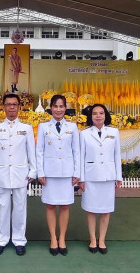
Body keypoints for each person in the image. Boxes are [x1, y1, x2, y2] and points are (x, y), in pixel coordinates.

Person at [0, 93, 36, 256]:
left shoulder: (26, 128)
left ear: (19, 107)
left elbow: (31, 152)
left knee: (20, 208)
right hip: (1, 173)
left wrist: (33, 171)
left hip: (21, 173)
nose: (12, 107)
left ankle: (19, 240)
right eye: (8, 104)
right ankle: (1, 240)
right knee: (2, 207)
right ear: (4, 107)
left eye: (15, 104)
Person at [36, 95, 80, 256]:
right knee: (50, 205)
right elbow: (39, 150)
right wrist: (40, 171)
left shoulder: (73, 127)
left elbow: (77, 151)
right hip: (50, 172)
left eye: (61, 106)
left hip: (67, 172)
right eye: (55, 106)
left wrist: (77, 173)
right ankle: (53, 238)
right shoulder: (43, 126)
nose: (59, 109)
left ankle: (62, 238)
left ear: (65, 107)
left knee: (64, 205)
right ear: (51, 108)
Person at [78, 104, 122, 255]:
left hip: (108, 176)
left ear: (105, 115)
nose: (98, 116)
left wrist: (118, 176)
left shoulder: (114, 132)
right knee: (90, 209)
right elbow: (81, 157)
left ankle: (102, 239)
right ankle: (92, 239)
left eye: (101, 113)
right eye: (95, 113)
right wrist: (81, 179)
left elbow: (117, 155)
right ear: (90, 116)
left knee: (105, 210)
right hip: (90, 176)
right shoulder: (84, 134)